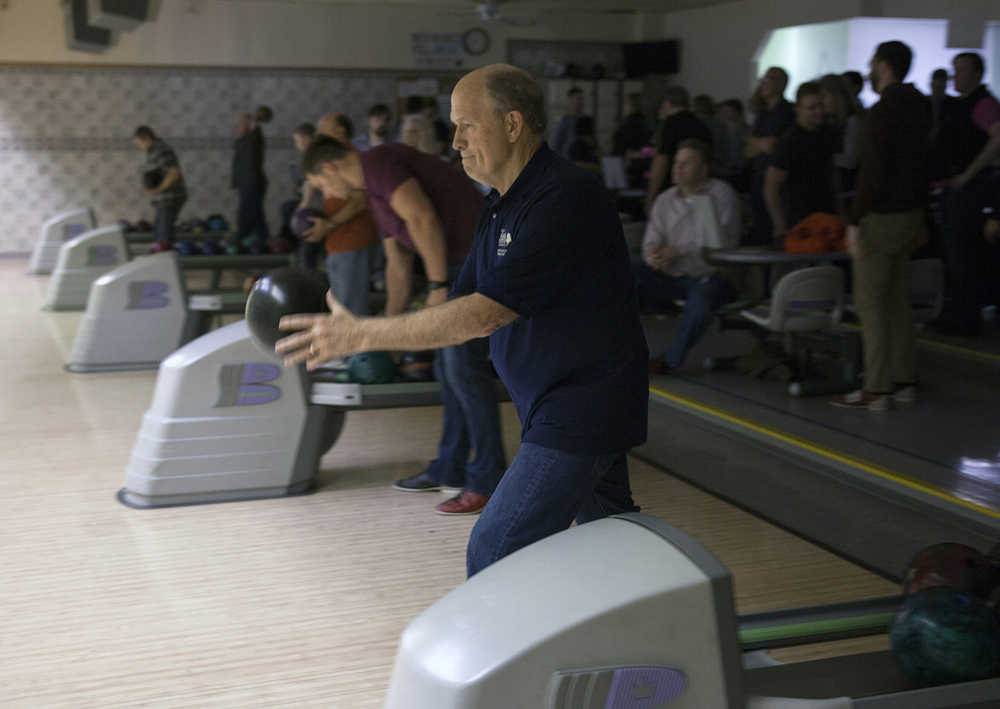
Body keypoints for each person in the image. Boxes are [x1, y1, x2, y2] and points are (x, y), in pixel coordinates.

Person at [281, 64, 648, 576]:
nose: (456, 141)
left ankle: (529, 654)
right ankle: (643, 639)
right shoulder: (501, 205)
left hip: (582, 407)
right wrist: (383, 335)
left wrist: (364, 333)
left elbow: (483, 314)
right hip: (552, 402)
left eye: (467, 125)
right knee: (615, 542)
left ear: (513, 124)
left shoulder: (564, 197)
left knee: (493, 553)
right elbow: (459, 303)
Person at [299, 135, 506, 517]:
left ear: (328, 167)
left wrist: (438, 285)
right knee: (449, 372)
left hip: (474, 262)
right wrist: (387, 333)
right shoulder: (372, 191)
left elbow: (422, 217)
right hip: (456, 268)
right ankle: (451, 466)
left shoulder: (378, 162)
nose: (327, 193)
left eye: (322, 185)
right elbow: (396, 264)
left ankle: (489, 480)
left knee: (465, 372)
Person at [831, 41, 931, 411]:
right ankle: (904, 380)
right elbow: (924, 165)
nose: (870, 69)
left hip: (882, 216)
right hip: (911, 214)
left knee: (870, 303)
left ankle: (876, 387)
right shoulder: (921, 106)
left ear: (885, 66)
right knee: (898, 302)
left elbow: (873, 171)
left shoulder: (883, 111)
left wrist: (855, 220)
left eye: (873, 63)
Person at [634, 139, 741, 373]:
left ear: (704, 169)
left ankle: (669, 361)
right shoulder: (665, 200)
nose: (678, 169)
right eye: (676, 163)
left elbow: (717, 246)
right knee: (625, 273)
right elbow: (650, 242)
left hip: (710, 275)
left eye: (686, 164)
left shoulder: (721, 195)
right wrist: (655, 255)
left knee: (701, 302)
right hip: (670, 275)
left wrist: (678, 250)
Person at [936, 52, 1000, 334]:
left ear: (977, 74)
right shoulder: (957, 105)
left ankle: (966, 317)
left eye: (961, 70)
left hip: (971, 191)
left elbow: (998, 137)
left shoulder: (983, 104)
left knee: (965, 255)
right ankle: (959, 312)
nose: (955, 76)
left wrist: (968, 174)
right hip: (955, 187)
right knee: (955, 255)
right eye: (954, 69)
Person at [303, 115, 377, 316]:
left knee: (351, 313)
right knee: (341, 309)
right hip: (338, 243)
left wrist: (328, 224)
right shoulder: (328, 160)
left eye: (323, 128)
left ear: (340, 131)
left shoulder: (352, 160)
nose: (318, 133)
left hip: (353, 241)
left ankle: (358, 347)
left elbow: (361, 200)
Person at [764, 82, 839, 242]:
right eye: (812, 108)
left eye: (820, 106)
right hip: (798, 220)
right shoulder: (790, 142)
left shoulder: (826, 135)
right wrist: (780, 224)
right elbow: (772, 185)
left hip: (825, 218)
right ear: (798, 109)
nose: (818, 112)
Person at [746, 67, 796, 244]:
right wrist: (761, 144)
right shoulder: (763, 114)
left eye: (770, 79)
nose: (763, 83)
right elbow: (749, 149)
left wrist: (758, 144)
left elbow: (776, 146)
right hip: (759, 179)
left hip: (779, 184)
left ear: (782, 84)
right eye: (764, 79)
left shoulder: (788, 112)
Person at [645, 86, 712, 212]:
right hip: (699, 189)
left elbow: (662, 161)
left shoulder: (669, 124)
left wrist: (651, 196)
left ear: (667, 103)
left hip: (672, 190)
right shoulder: (701, 125)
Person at [132, 125, 188, 245]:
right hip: (164, 198)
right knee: (160, 233)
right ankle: (164, 257)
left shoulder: (161, 150)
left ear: (146, 137)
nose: (140, 147)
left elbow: (174, 173)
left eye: (139, 144)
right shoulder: (153, 151)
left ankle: (165, 260)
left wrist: (158, 189)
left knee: (163, 236)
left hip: (170, 197)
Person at [818, 73, 863, 198]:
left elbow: (850, 160)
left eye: (824, 96)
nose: (821, 102)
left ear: (837, 96)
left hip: (847, 194)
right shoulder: (829, 121)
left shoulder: (853, 121)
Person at [231, 112, 269, 249]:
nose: (237, 127)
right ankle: (263, 241)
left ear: (248, 126)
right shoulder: (241, 141)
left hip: (253, 183)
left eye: (240, 124)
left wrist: (255, 123)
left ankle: (242, 238)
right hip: (244, 183)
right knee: (256, 214)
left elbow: (256, 135)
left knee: (246, 214)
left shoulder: (254, 138)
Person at [612, 92, 651, 157]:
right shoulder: (645, 121)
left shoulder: (630, 122)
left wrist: (635, 153)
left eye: (626, 103)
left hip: (625, 160)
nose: (624, 106)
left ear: (633, 105)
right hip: (637, 159)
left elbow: (622, 144)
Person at [551, 86, 586, 159]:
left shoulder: (585, 122)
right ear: (570, 100)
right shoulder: (564, 123)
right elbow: (555, 146)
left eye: (582, 99)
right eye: (578, 99)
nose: (581, 102)